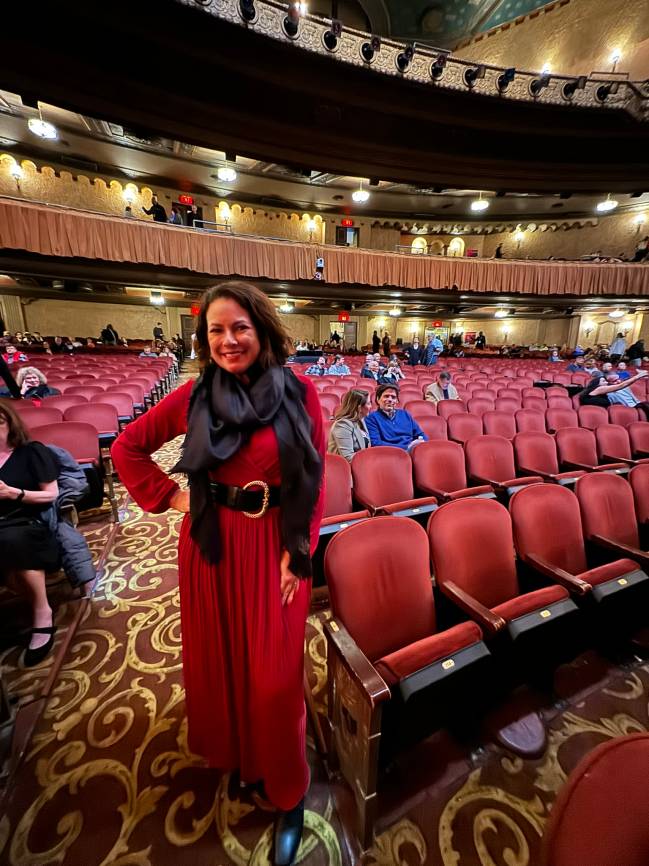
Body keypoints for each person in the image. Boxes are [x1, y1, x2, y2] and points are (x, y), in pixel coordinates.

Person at [111, 281, 324, 865]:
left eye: (239, 328)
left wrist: (296, 549)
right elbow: (126, 447)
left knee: (274, 677)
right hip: (211, 548)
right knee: (226, 659)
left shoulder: (299, 391)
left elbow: (314, 474)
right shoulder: (195, 395)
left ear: (261, 330)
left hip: (277, 546)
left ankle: (286, 789)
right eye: (215, 330)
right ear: (204, 339)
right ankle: (242, 757)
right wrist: (171, 500)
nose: (228, 340)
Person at [0, 401, 60, 666]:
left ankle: (41, 611)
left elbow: (51, 494)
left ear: (10, 424)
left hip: (27, 520)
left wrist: (15, 493)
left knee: (13, 540)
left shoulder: (31, 452)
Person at [365, 383, 427, 451]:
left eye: (393, 397)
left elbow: (421, 434)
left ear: (397, 401)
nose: (390, 399)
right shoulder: (371, 418)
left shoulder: (405, 414)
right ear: (378, 399)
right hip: (390, 453)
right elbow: (376, 443)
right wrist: (406, 447)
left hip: (413, 451)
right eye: (386, 396)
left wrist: (421, 442)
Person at [328, 389, 371, 461]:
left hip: (361, 464)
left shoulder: (361, 420)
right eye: (369, 403)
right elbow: (348, 458)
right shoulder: (342, 425)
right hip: (343, 469)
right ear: (359, 408)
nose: (371, 406)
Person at [580, 369, 648, 414]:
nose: (606, 383)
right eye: (604, 381)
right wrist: (638, 376)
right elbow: (621, 385)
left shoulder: (603, 391)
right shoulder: (599, 389)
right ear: (597, 384)